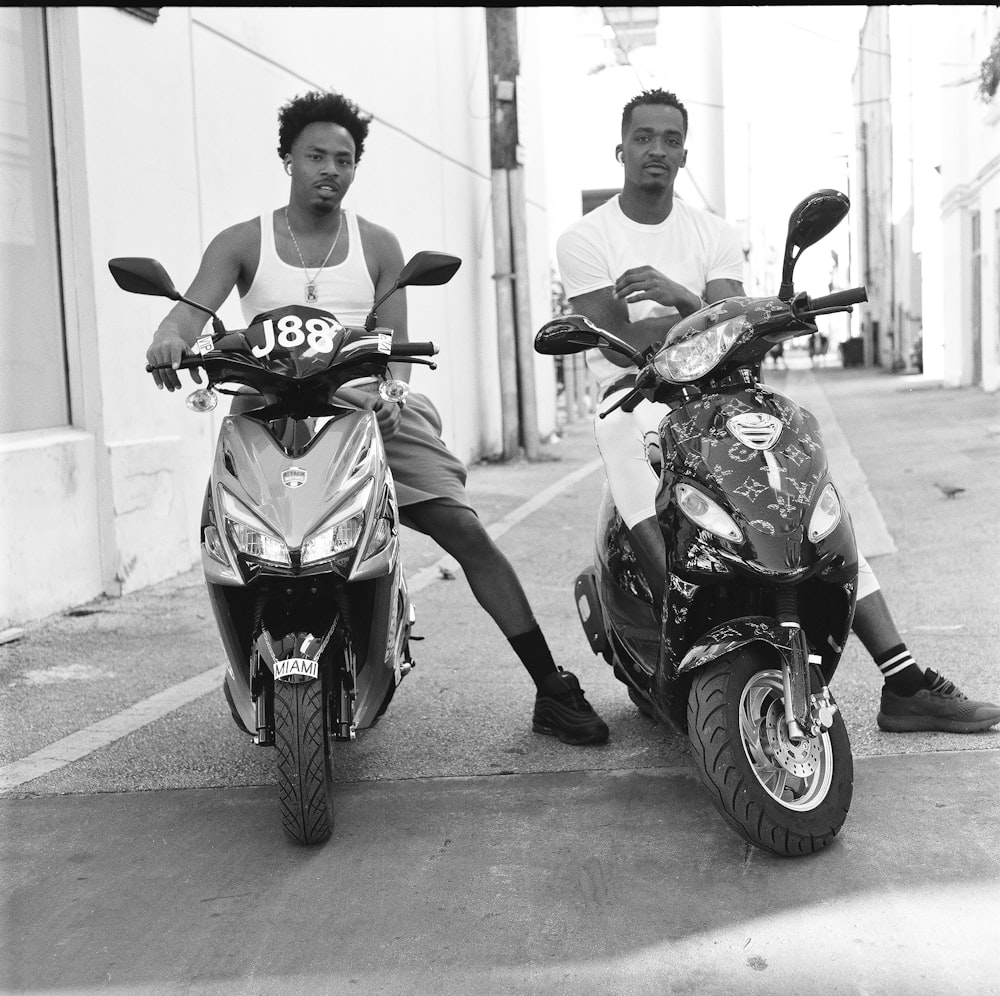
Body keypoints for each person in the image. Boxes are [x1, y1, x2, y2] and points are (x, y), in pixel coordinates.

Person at [145, 89, 608, 746]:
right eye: (316, 156)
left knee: (463, 532)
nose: (330, 169)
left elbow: (394, 361)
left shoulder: (379, 247)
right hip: (267, 415)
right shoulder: (243, 241)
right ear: (288, 159)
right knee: (236, 539)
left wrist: (379, 391)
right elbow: (188, 312)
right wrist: (168, 337)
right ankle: (256, 667)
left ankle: (550, 686)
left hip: (365, 414)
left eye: (345, 158)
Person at [556, 87, 1000, 734]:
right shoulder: (585, 238)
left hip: (718, 395)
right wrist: (692, 321)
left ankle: (903, 681)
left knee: (808, 498)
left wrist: (679, 298)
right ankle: (675, 650)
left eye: (671, 139)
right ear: (620, 147)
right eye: (644, 137)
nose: (657, 149)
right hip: (637, 398)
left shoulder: (713, 233)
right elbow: (620, 345)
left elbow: (731, 325)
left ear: (684, 154)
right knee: (625, 447)